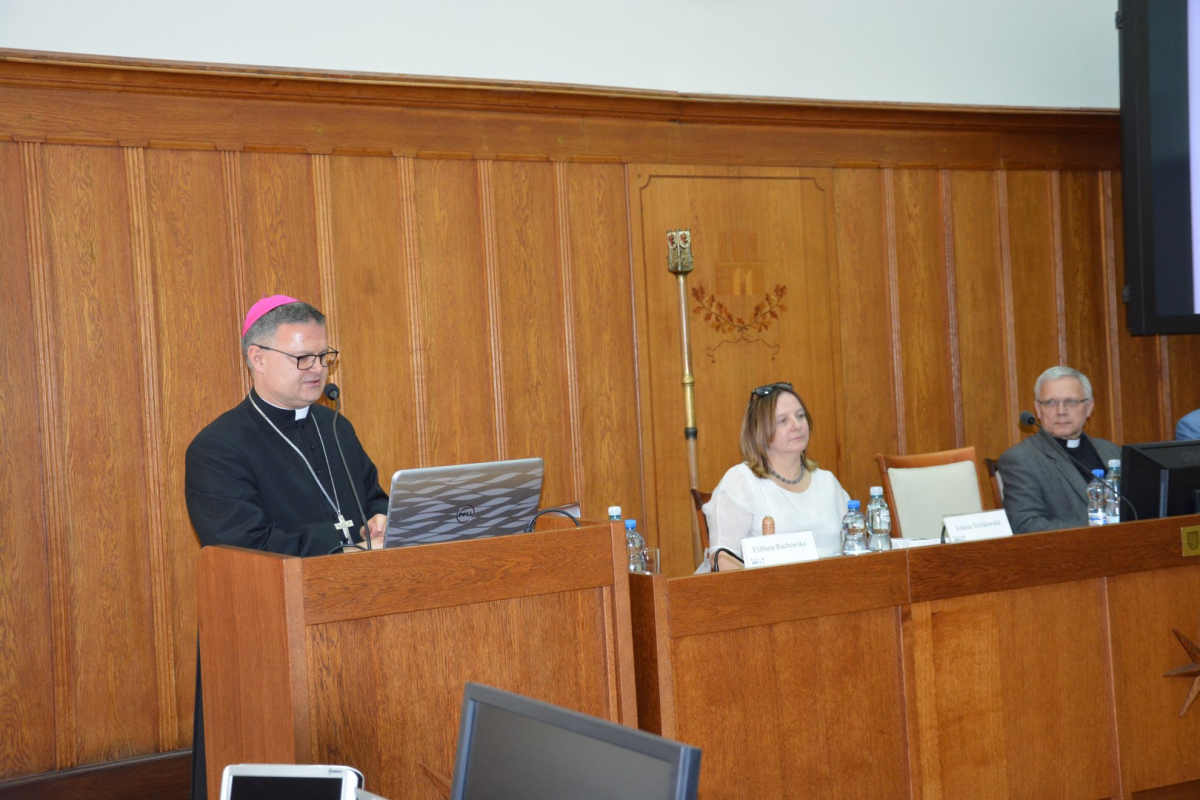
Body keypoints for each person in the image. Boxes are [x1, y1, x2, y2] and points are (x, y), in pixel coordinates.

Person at [184, 295, 390, 800]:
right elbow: (242, 545)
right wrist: (346, 543)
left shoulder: (337, 428)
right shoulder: (218, 447)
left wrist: (384, 519)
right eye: (302, 358)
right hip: (265, 639)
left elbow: (372, 497)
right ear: (256, 357)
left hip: (355, 625)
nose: (317, 369)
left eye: (323, 356)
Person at [702, 382, 850, 570]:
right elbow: (722, 558)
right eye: (783, 421)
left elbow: (855, 544)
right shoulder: (741, 481)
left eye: (800, 416)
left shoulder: (827, 482)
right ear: (760, 431)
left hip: (835, 584)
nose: (797, 425)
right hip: (767, 588)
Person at [998, 366, 1120, 534]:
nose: (1061, 411)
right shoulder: (1020, 459)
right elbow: (1025, 525)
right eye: (1051, 402)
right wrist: (1095, 531)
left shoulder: (1111, 451)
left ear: (1089, 407)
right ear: (1038, 409)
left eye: (1071, 402)